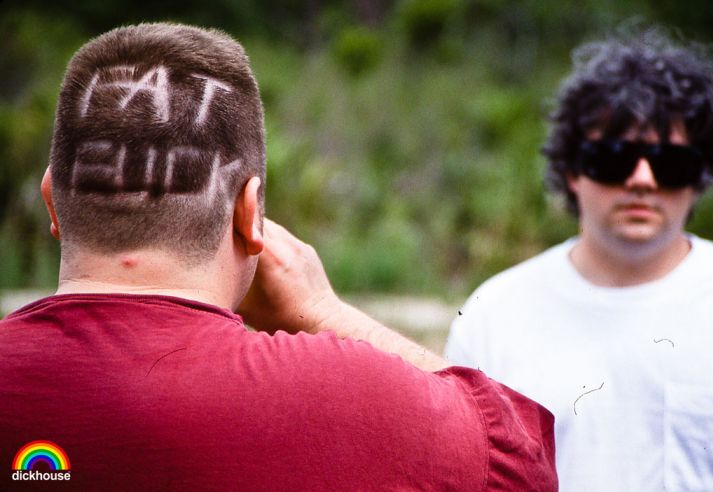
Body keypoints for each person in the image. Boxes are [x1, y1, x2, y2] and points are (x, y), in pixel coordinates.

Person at [0, 23, 557, 491]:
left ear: (53, 198)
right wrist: (322, 311)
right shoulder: (348, 395)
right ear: (250, 213)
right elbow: (524, 462)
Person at [445, 28, 713, 491]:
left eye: (670, 163)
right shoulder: (495, 312)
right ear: (571, 170)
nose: (642, 179)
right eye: (614, 158)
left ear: (701, 175)